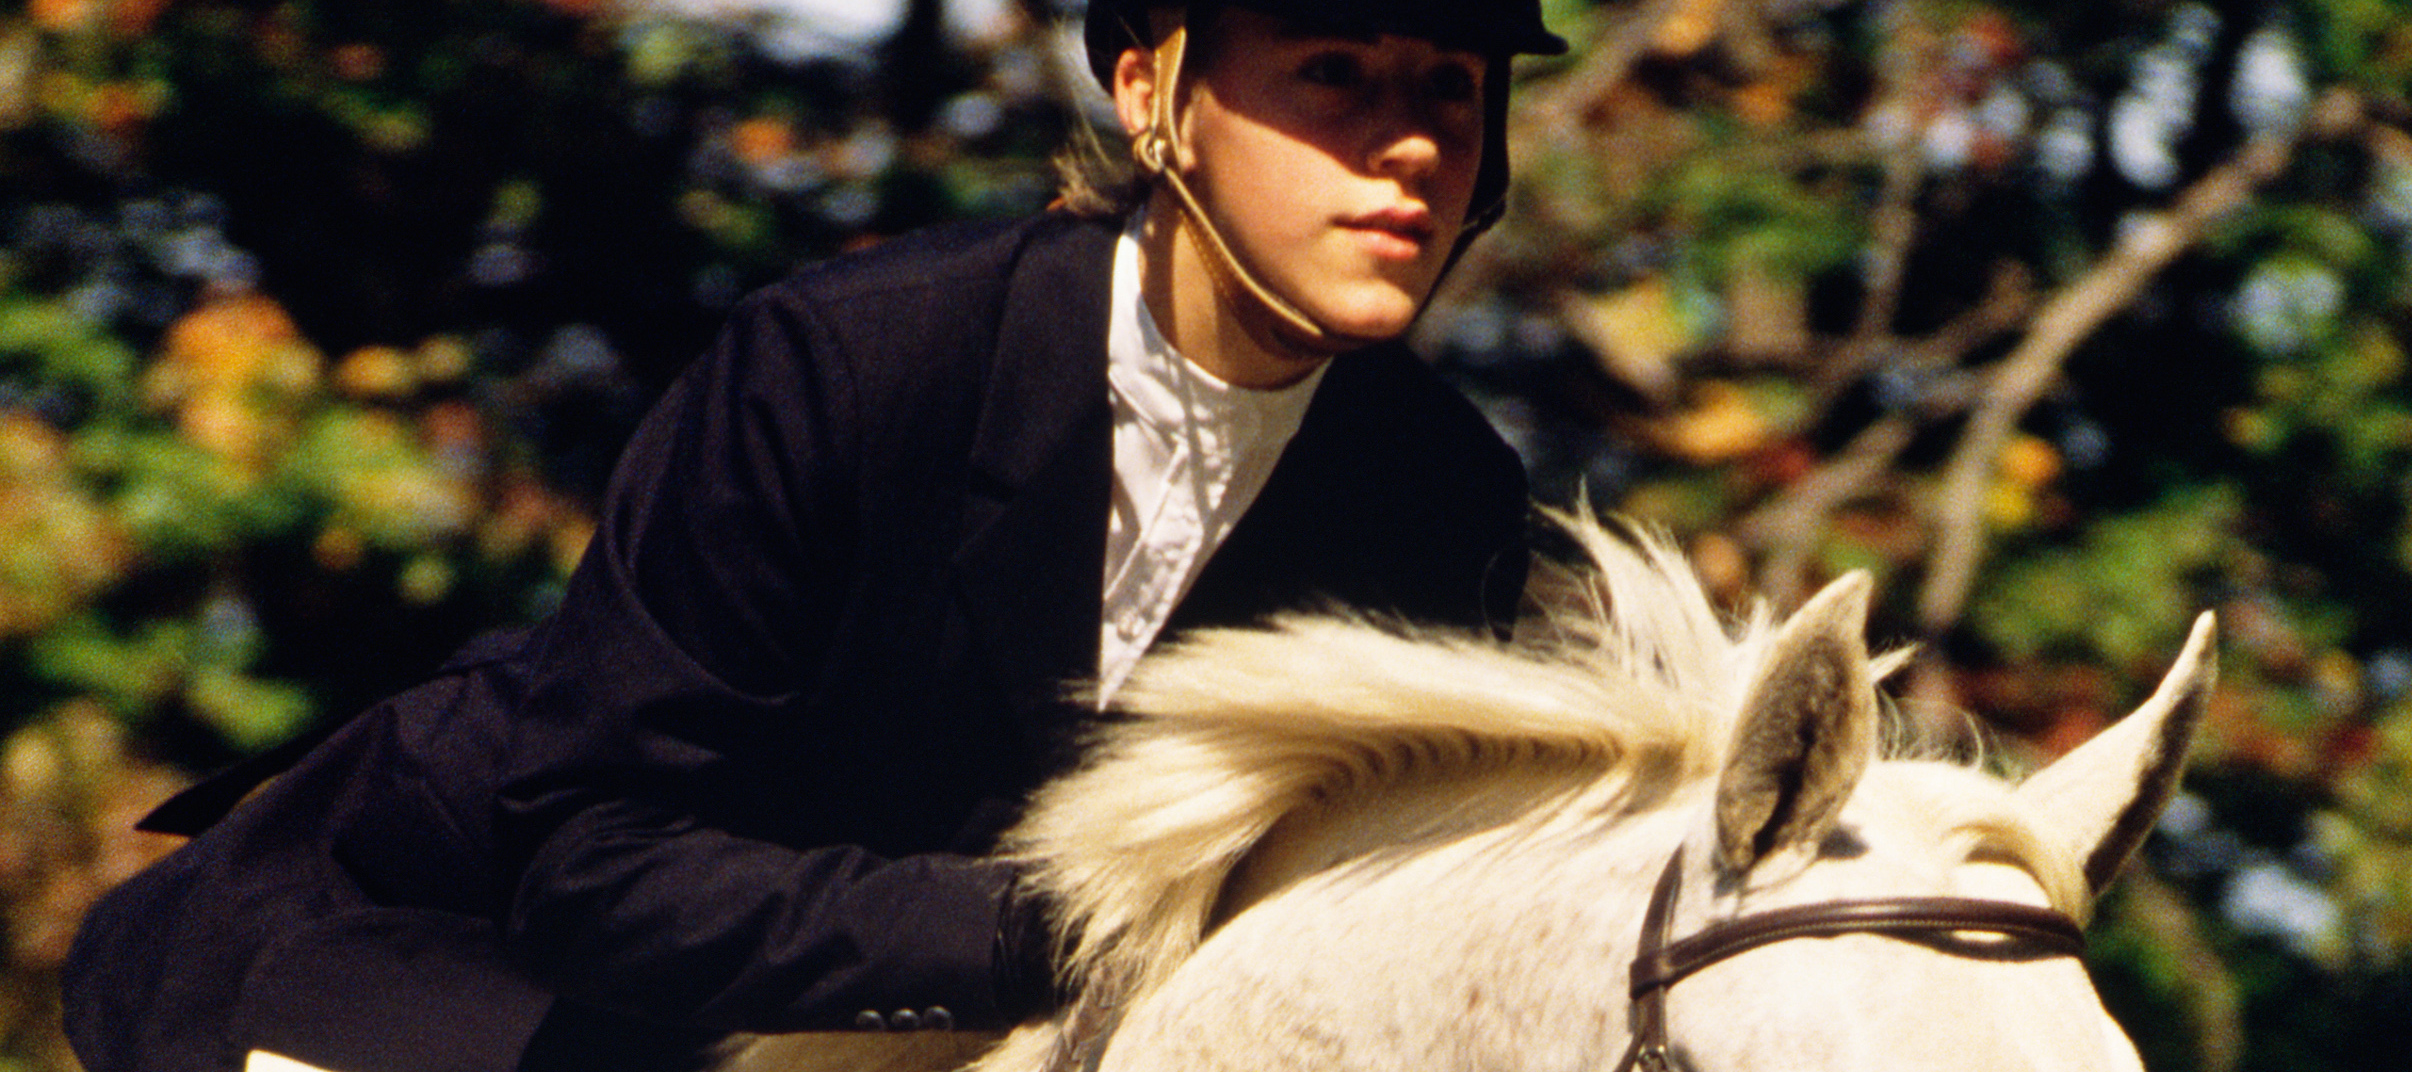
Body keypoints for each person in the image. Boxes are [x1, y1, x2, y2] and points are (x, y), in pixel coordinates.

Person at [61, 0, 1564, 1068]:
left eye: (1448, 84)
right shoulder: (855, 358)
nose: (1411, 147)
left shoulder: (1444, 499)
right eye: (1334, 71)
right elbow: (595, 864)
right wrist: (1056, 927)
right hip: (446, 967)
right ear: (1152, 93)